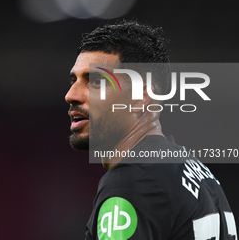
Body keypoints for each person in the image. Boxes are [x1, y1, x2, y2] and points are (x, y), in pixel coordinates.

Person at [65, 19, 237, 240]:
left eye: (96, 82)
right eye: (74, 80)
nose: (71, 95)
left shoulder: (132, 180)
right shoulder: (197, 173)